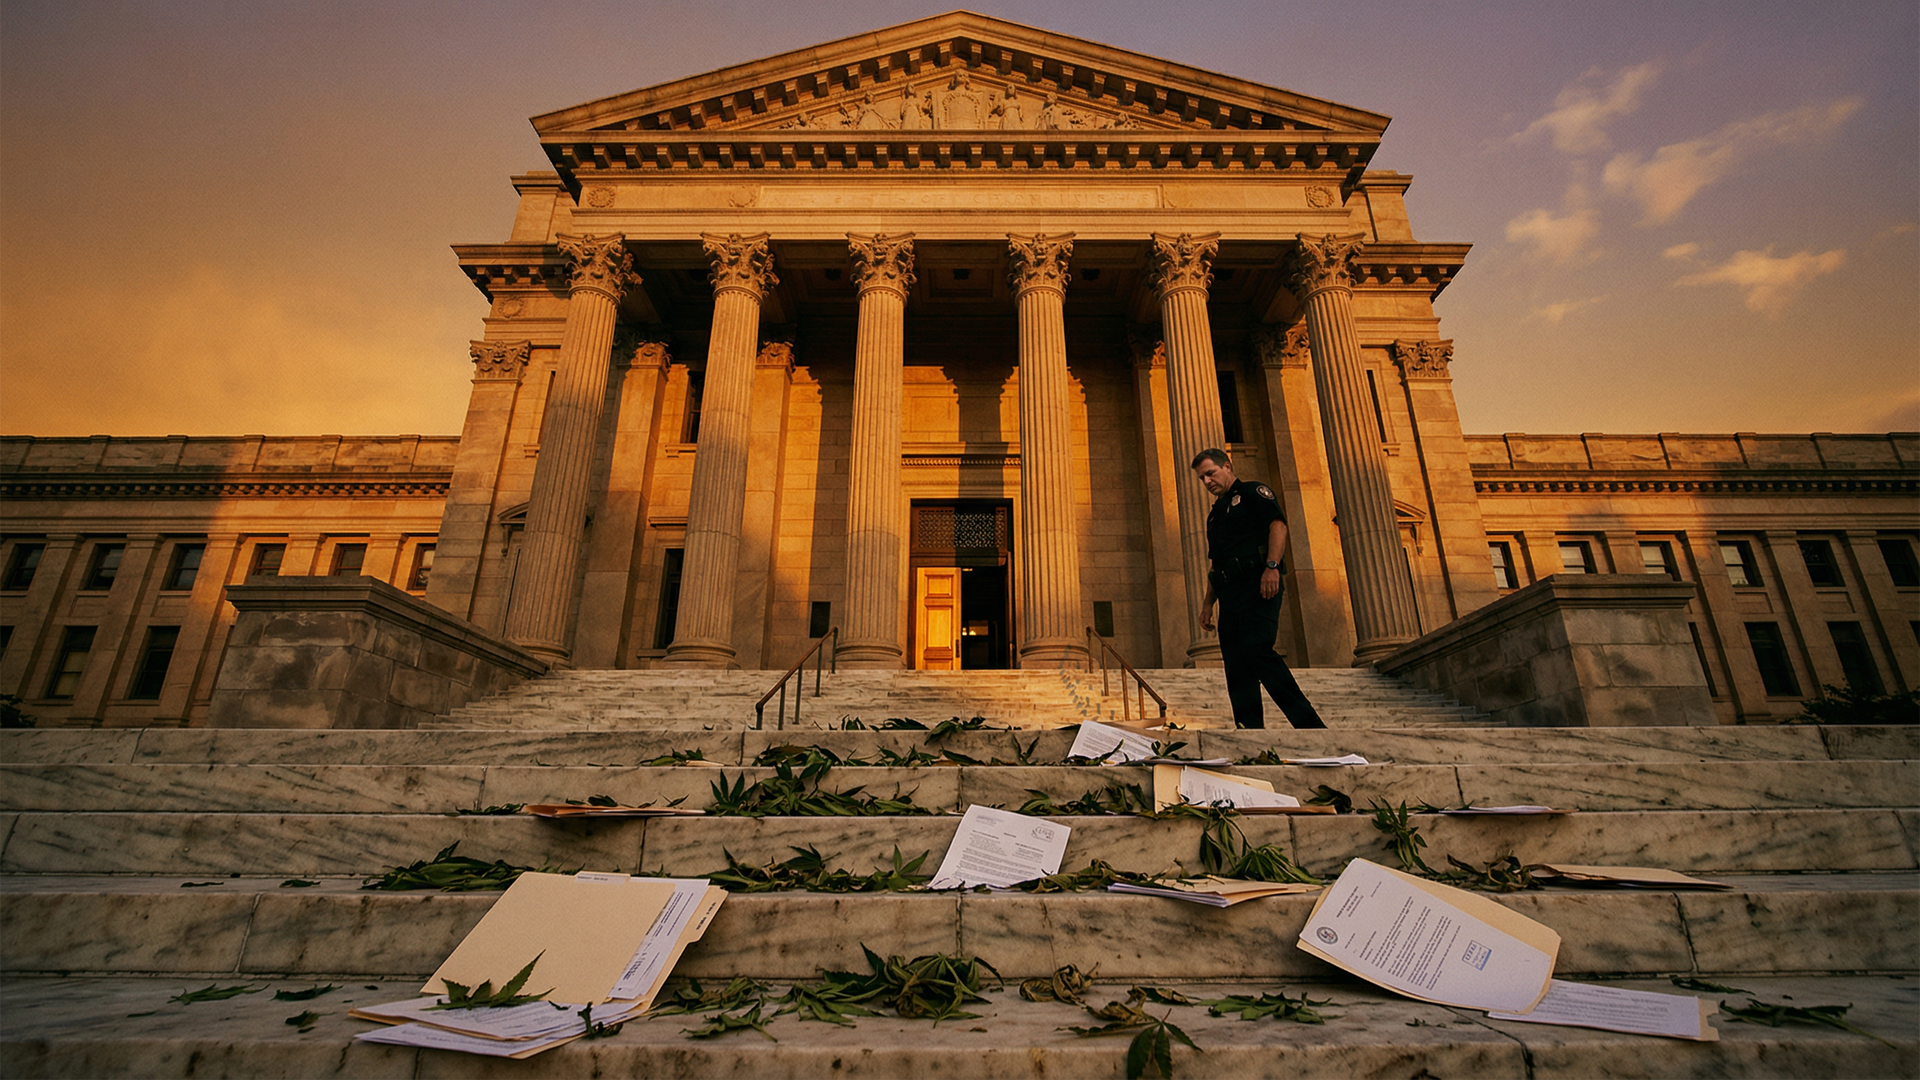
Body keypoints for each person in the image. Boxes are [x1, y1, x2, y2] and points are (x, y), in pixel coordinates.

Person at [1192, 448, 1327, 729]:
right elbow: (1216, 562)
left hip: (1258, 583)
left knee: (1257, 648)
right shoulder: (1215, 514)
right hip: (1229, 591)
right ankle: (1249, 729)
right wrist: (1208, 604)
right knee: (1235, 662)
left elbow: (1278, 526)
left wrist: (1272, 566)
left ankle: (1309, 724)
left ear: (1227, 467)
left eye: (1210, 473)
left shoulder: (1254, 493)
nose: (1207, 481)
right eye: (1202, 478)